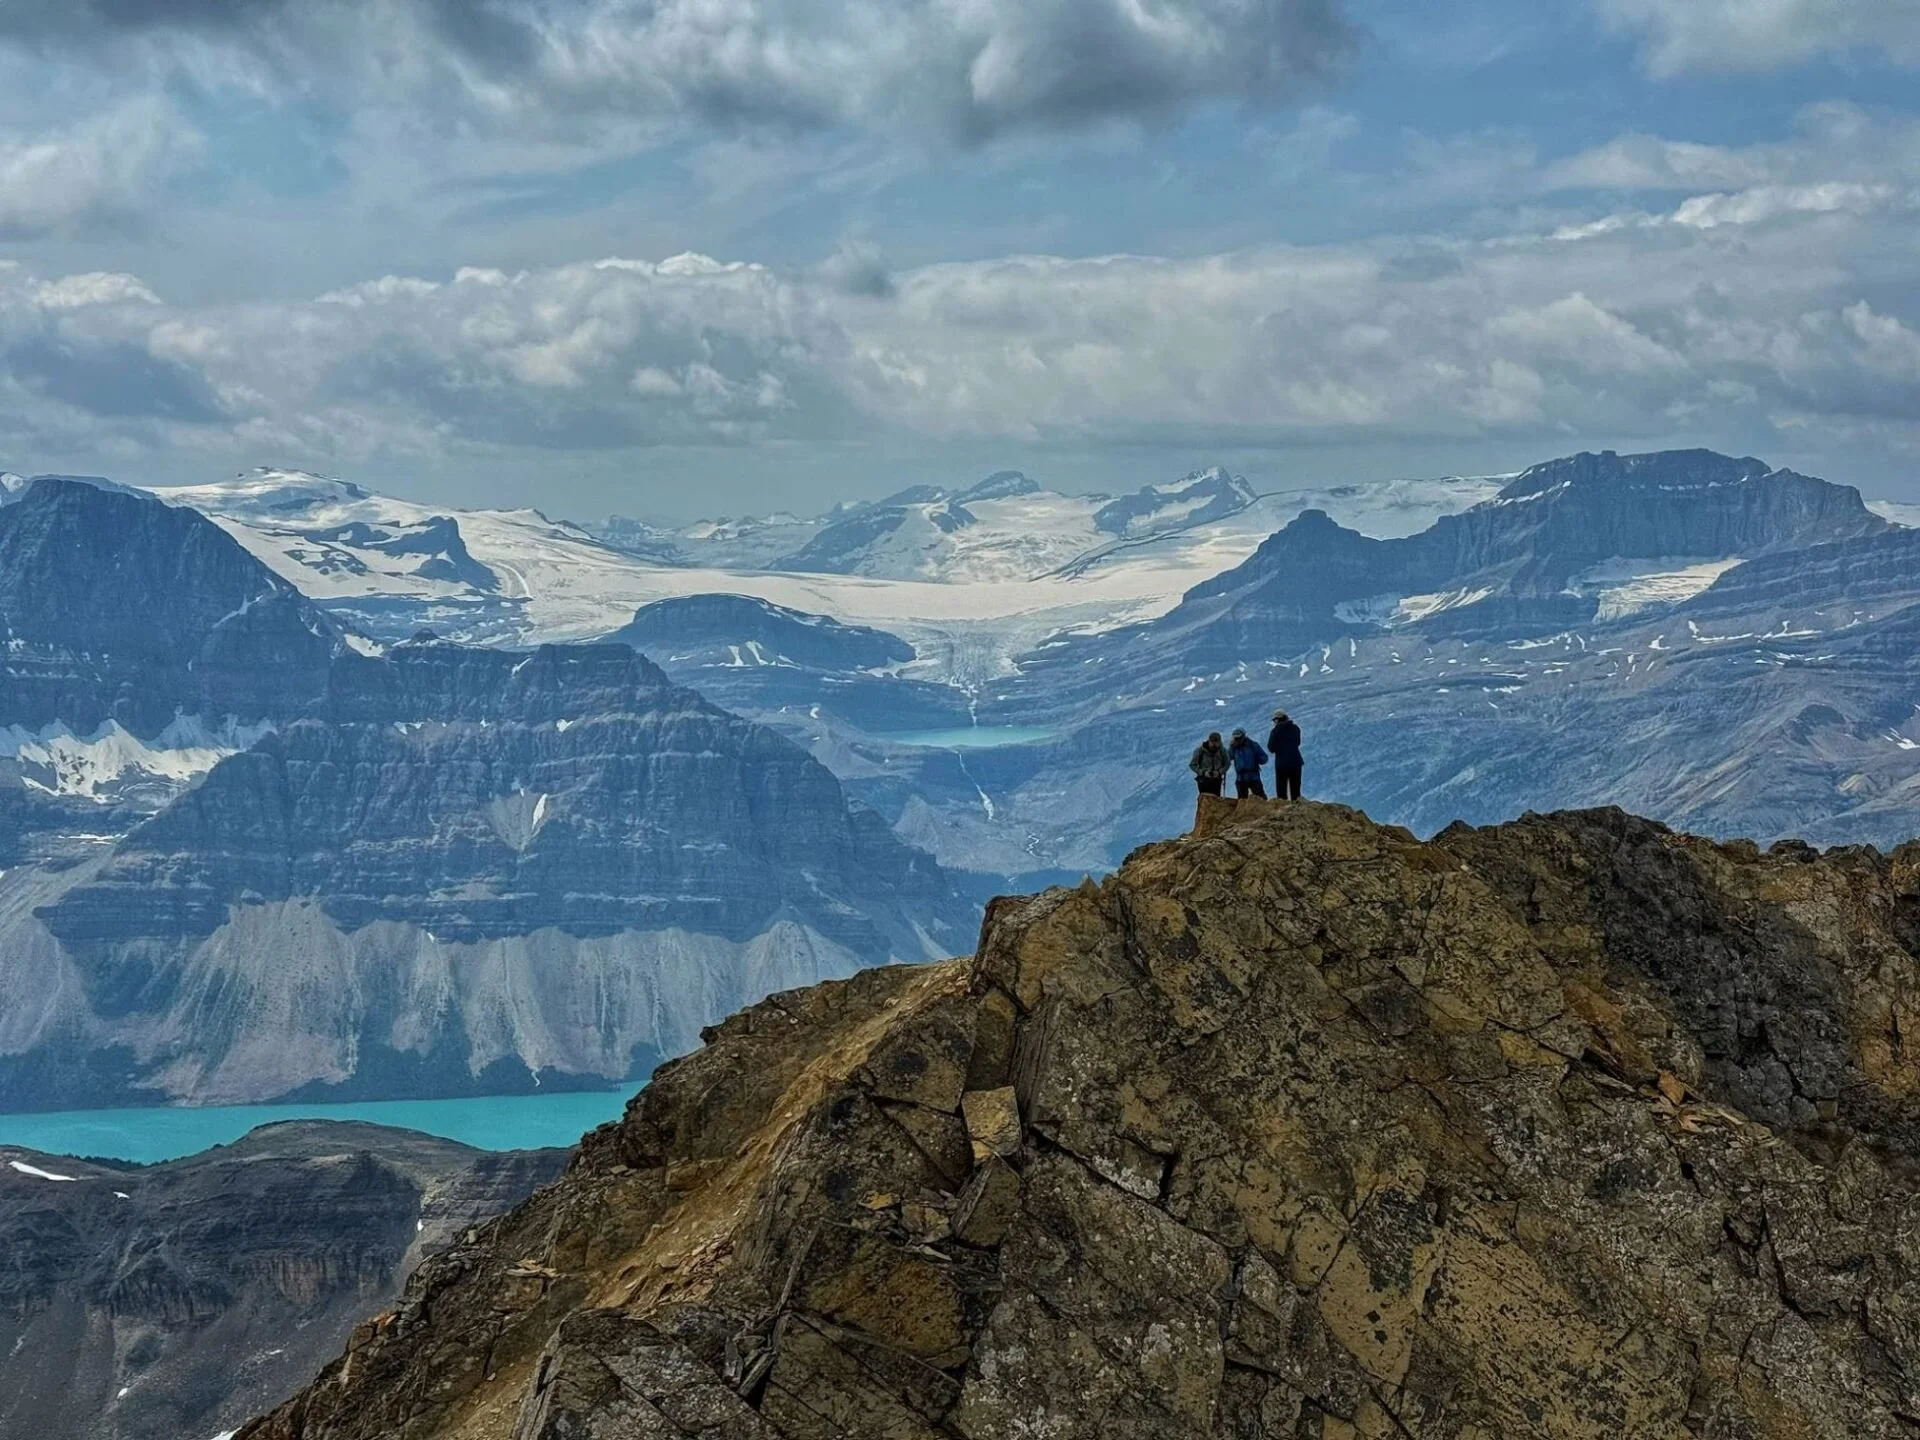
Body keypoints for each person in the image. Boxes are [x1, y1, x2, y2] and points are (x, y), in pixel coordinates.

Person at [1268, 709, 1304, 802]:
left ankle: (1283, 807)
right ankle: (1296, 807)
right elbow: (1297, 742)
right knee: (1296, 791)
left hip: (1282, 764)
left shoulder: (1275, 731)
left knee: (1281, 792)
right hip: (1296, 762)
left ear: (1277, 720)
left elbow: (1271, 748)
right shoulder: (1295, 728)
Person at [1228, 728, 1268, 799]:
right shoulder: (1234, 747)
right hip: (1241, 778)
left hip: (1253, 777)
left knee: (1260, 798)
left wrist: (1257, 759)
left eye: (1239, 738)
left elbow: (1264, 759)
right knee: (1242, 800)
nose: (1237, 740)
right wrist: (1231, 747)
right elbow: (1228, 757)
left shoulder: (1253, 745)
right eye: (1236, 738)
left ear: (1243, 736)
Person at [1189, 732, 1230, 797]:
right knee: (1204, 799)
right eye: (1212, 742)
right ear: (1209, 741)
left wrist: (1219, 772)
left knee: (1216, 799)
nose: (1214, 744)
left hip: (1216, 780)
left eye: (1216, 742)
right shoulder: (1200, 750)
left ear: (1219, 742)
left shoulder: (1222, 751)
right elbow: (1192, 765)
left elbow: (1227, 764)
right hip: (1203, 780)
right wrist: (1203, 772)